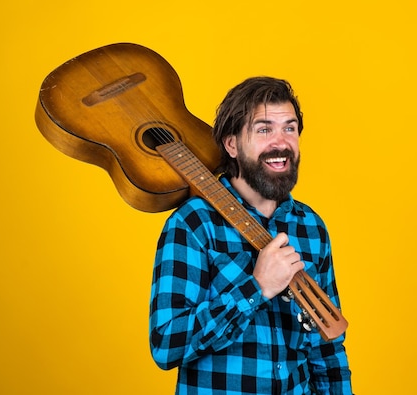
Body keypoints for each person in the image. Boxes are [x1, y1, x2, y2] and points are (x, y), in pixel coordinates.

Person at [149, 76, 352, 394]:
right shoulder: (194, 224)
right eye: (264, 129)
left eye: (290, 127)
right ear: (232, 144)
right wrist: (256, 288)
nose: (281, 142)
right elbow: (166, 344)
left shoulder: (311, 227)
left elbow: (327, 349)